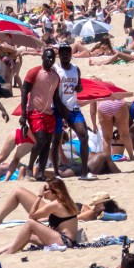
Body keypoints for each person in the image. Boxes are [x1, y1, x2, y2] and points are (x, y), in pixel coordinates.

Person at [0, 178, 80, 255]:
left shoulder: (55, 204)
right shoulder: (66, 201)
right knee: (29, 236)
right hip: (67, 240)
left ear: (54, 191)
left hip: (63, 241)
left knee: (30, 224)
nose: (43, 191)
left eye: (45, 189)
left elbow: (32, 216)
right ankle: (0, 251)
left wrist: (39, 196)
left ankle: (10, 252)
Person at [20, 48, 66, 181]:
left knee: (47, 144)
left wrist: (63, 115)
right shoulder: (34, 72)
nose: (50, 60)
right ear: (43, 58)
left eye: (52, 58)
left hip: (49, 113)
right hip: (34, 111)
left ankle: (40, 173)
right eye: (48, 57)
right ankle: (29, 167)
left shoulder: (55, 76)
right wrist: (23, 114)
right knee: (40, 140)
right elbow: (24, 92)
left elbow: (56, 98)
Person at [51, 44, 90, 178]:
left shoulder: (76, 69)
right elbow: (54, 94)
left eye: (68, 52)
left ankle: (85, 172)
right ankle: (56, 173)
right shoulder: (55, 69)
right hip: (57, 108)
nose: (66, 55)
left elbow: (78, 86)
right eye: (63, 53)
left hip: (73, 107)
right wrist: (62, 113)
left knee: (84, 136)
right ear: (59, 55)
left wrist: (79, 88)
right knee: (56, 142)